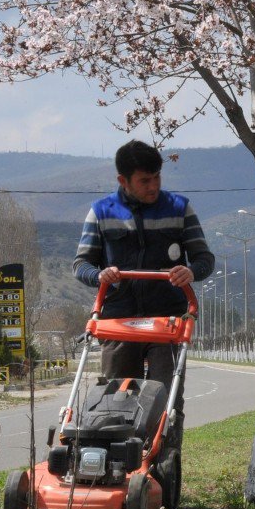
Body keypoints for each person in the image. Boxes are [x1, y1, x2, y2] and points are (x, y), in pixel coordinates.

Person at [73, 140, 215, 449]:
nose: (153, 186)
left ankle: (164, 465)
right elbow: (80, 264)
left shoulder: (179, 208)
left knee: (167, 399)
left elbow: (205, 260)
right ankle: (113, 465)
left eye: (157, 178)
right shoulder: (101, 213)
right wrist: (99, 275)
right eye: (144, 181)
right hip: (118, 322)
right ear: (123, 180)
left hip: (167, 323)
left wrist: (190, 272)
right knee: (115, 398)